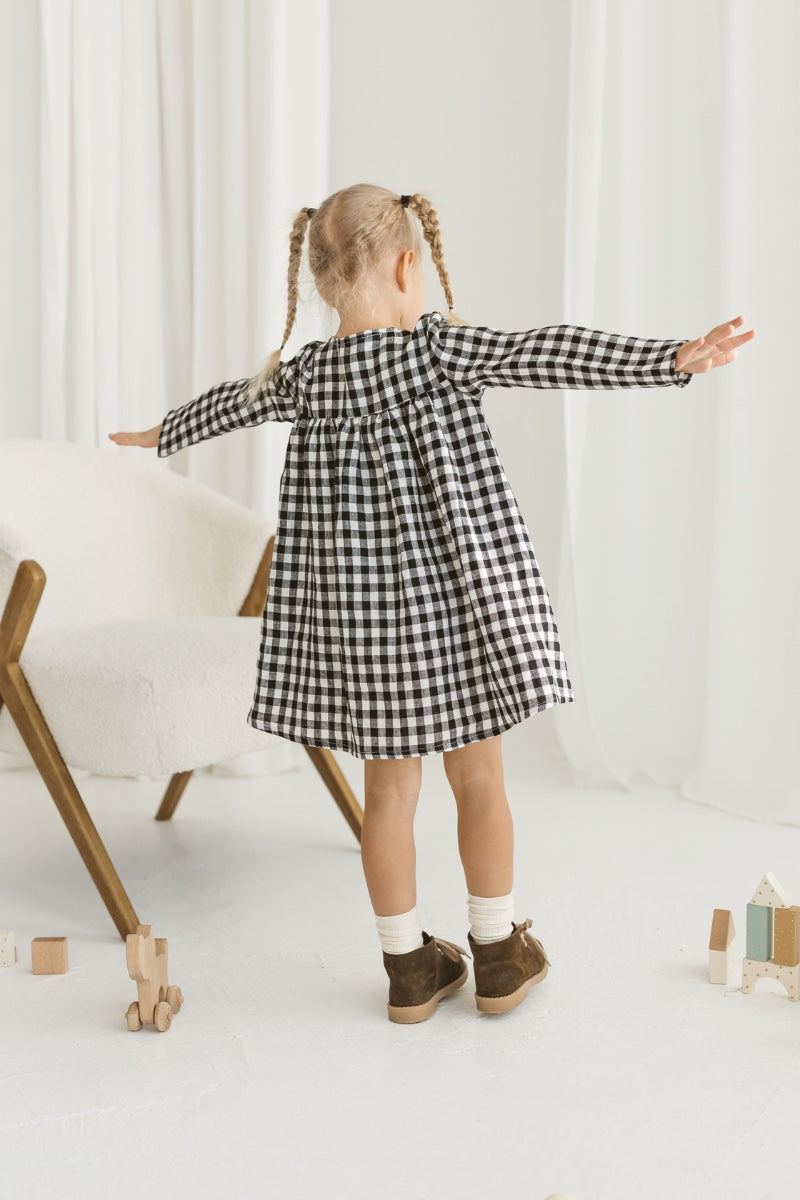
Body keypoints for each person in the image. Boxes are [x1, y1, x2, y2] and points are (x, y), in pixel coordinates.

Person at [110, 183, 754, 1024]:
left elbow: (233, 402)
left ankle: (408, 970)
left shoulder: (306, 376)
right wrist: (670, 358)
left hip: (367, 637)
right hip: (461, 616)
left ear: (322, 278)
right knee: (481, 778)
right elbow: (544, 350)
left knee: (389, 798)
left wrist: (163, 432)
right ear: (410, 264)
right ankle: (496, 953)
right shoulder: (436, 351)